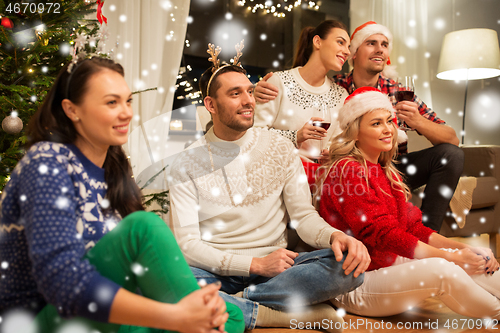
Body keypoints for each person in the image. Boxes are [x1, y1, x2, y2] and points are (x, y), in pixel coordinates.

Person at [0, 57, 244, 333]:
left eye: (128, 101)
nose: (127, 112)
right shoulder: (47, 162)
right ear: (72, 110)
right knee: (144, 226)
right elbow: (63, 281)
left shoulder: (112, 170)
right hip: (41, 319)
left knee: (228, 314)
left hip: (97, 313)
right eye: (111, 102)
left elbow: (125, 272)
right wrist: (172, 316)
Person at [167, 46, 371, 332]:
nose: (248, 101)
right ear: (211, 105)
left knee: (347, 265)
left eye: (249, 91)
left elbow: (303, 217)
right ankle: (272, 314)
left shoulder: (280, 147)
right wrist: (255, 264)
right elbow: (187, 247)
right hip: (214, 270)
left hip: (278, 271)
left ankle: (235, 303)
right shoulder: (185, 163)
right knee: (168, 279)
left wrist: (335, 236)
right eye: (235, 94)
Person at [255, 21, 463, 232]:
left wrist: (417, 121)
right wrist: (254, 91)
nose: (380, 49)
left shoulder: (397, 92)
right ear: (354, 53)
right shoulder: (338, 87)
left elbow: (452, 138)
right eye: (371, 43)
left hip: (391, 167)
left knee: (451, 154)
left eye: (384, 44)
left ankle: (427, 236)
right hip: (354, 170)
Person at [312, 86, 500, 318]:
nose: (388, 129)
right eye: (376, 123)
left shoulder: (384, 171)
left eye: (389, 121)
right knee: (443, 267)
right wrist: (452, 257)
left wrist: (466, 249)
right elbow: (383, 234)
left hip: (387, 265)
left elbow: (413, 227)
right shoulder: (347, 171)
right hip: (353, 282)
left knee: (473, 258)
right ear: (355, 132)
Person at [253, 20, 350, 161]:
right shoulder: (278, 82)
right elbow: (256, 133)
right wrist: (295, 136)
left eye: (348, 47)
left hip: (319, 178)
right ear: (317, 42)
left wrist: (332, 154)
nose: (347, 51)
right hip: (279, 174)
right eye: (340, 42)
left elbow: (337, 143)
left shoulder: (341, 95)